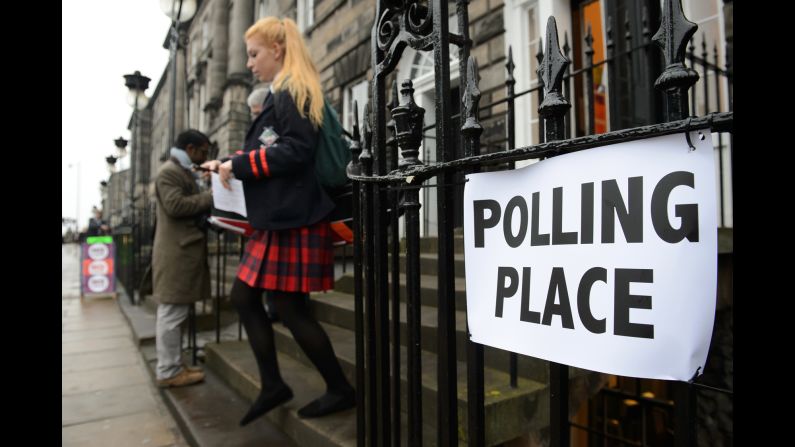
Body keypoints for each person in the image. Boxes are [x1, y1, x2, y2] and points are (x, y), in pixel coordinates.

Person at [202, 16, 355, 426]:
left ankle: (335, 388)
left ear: (278, 50)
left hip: (295, 217)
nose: (249, 63)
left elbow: (295, 151)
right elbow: (274, 147)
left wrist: (241, 164)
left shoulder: (290, 90)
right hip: (284, 217)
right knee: (252, 299)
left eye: (254, 54)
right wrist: (231, 163)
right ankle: (275, 384)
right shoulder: (281, 92)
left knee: (286, 307)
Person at [152, 129, 214, 388]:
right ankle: (168, 371)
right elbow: (176, 206)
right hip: (176, 252)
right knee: (171, 312)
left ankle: (174, 364)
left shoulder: (182, 169)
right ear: (190, 148)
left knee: (176, 311)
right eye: (202, 152)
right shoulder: (169, 171)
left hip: (183, 251)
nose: (203, 158)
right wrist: (212, 196)